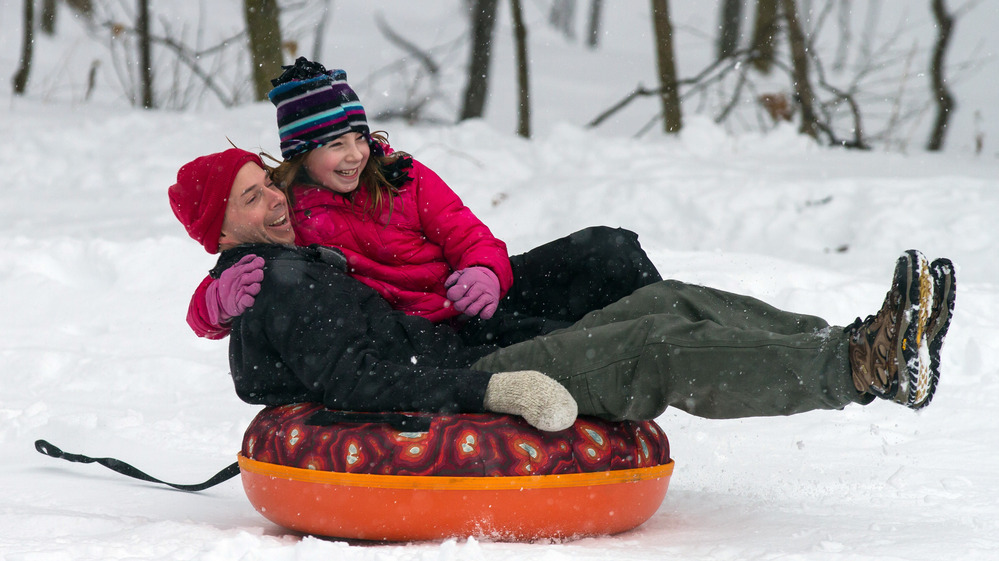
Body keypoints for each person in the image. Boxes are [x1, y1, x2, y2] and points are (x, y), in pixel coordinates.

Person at [168, 148, 956, 431]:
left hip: (467, 336)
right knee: (650, 341)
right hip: (478, 362)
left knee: (661, 297)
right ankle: (858, 368)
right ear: (223, 228)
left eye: (264, 183)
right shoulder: (269, 281)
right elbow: (350, 378)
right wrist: (486, 386)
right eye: (250, 198)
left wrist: (212, 298)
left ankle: (862, 341)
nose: (273, 199)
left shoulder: (295, 245)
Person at [185, 57, 661, 347]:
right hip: (430, 340)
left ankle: (675, 328)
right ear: (302, 155)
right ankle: (624, 359)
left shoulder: (401, 176)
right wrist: (216, 303)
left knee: (607, 249)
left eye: (359, 137)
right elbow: (232, 283)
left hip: (478, 300)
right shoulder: (290, 215)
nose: (354, 155)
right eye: (335, 146)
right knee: (560, 337)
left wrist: (485, 272)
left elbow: (470, 234)